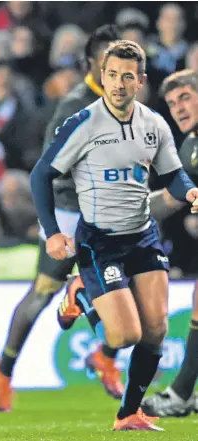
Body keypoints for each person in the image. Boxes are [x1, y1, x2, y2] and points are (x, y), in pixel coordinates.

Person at [29, 40, 198, 431]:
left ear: (140, 81)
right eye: (111, 75)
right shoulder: (83, 123)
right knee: (124, 336)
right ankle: (80, 294)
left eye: (127, 76)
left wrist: (188, 189)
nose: (118, 84)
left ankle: (128, 414)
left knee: (155, 331)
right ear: (101, 77)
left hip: (143, 237)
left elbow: (173, 174)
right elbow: (41, 174)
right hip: (99, 241)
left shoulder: (154, 124)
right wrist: (53, 232)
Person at [0, 24, 122, 413]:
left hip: (100, 212)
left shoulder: (120, 101)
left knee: (73, 290)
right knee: (57, 290)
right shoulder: (76, 105)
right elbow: (50, 167)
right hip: (72, 212)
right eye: (108, 59)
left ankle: (8, 369)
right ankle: (9, 369)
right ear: (91, 63)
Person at [141, 69, 198, 417]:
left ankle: (179, 393)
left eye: (186, 97)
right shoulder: (190, 146)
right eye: (172, 102)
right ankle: (182, 392)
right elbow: (172, 199)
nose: (178, 107)